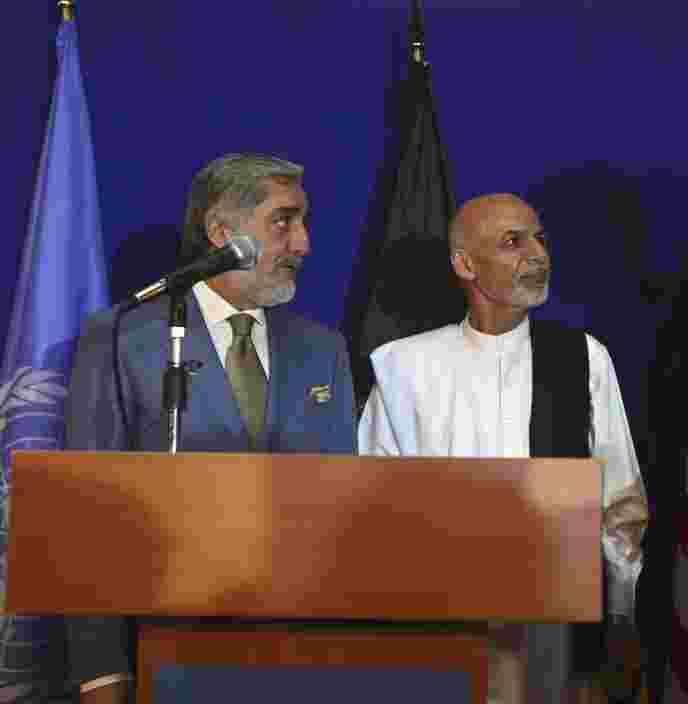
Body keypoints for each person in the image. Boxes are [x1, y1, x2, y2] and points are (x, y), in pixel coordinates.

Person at [64, 153, 357, 703]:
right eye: (284, 221)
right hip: (168, 649)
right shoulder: (123, 338)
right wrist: (102, 672)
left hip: (305, 650)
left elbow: (343, 507)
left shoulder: (325, 349)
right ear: (222, 232)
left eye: (303, 222)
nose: (303, 244)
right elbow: (87, 516)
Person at [358, 193, 648, 703]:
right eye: (513, 242)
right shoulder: (404, 368)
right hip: (439, 628)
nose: (538, 255)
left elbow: (620, 505)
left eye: (540, 239)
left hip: (555, 629)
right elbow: (374, 503)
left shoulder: (582, 358)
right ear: (465, 264)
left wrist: (619, 615)